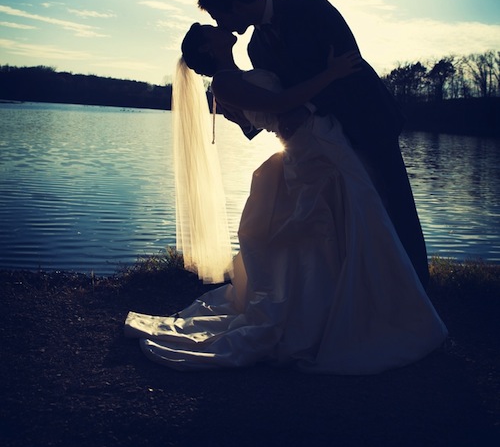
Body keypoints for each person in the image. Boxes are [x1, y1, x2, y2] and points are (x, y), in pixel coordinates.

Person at [124, 23, 447, 374]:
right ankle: (340, 318)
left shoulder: (238, 74)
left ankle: (354, 309)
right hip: (312, 151)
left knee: (341, 227)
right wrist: (331, 73)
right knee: (333, 228)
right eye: (210, 29)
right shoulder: (223, 82)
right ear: (206, 47)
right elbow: (280, 103)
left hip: (316, 145)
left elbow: (264, 117)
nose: (219, 27)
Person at [197, 0, 430, 288]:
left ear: (235, 5)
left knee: (394, 203)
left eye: (218, 16)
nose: (221, 25)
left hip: (365, 118)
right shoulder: (255, 49)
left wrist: (306, 107)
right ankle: (367, 285)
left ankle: (419, 288)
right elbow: (277, 99)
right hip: (323, 140)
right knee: (353, 213)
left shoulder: (310, 6)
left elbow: (349, 63)